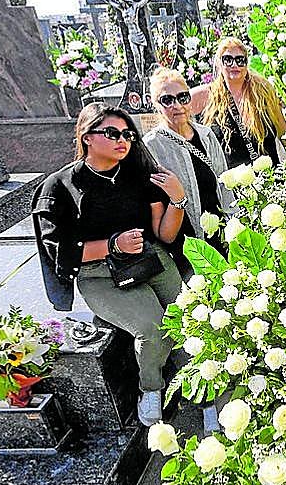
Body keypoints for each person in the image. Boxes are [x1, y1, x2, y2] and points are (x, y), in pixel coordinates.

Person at [32, 104, 187, 425]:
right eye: (112, 133)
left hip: (150, 259)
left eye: (128, 134)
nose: (123, 141)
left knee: (189, 318)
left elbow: (165, 234)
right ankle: (151, 388)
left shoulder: (139, 175)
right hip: (99, 273)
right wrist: (111, 245)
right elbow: (58, 252)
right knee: (153, 328)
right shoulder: (60, 187)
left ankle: (203, 390)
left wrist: (177, 200)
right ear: (87, 137)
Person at [144, 67, 235, 273]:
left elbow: (224, 184)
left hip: (221, 236)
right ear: (155, 104)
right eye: (167, 100)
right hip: (184, 248)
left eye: (183, 97)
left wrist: (234, 229)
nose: (177, 106)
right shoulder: (151, 146)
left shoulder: (206, 135)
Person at [190, 37, 286, 168]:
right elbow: (176, 108)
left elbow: (283, 130)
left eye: (240, 60)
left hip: (272, 176)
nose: (234, 65)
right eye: (228, 60)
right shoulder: (205, 95)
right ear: (219, 63)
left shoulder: (263, 90)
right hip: (233, 181)